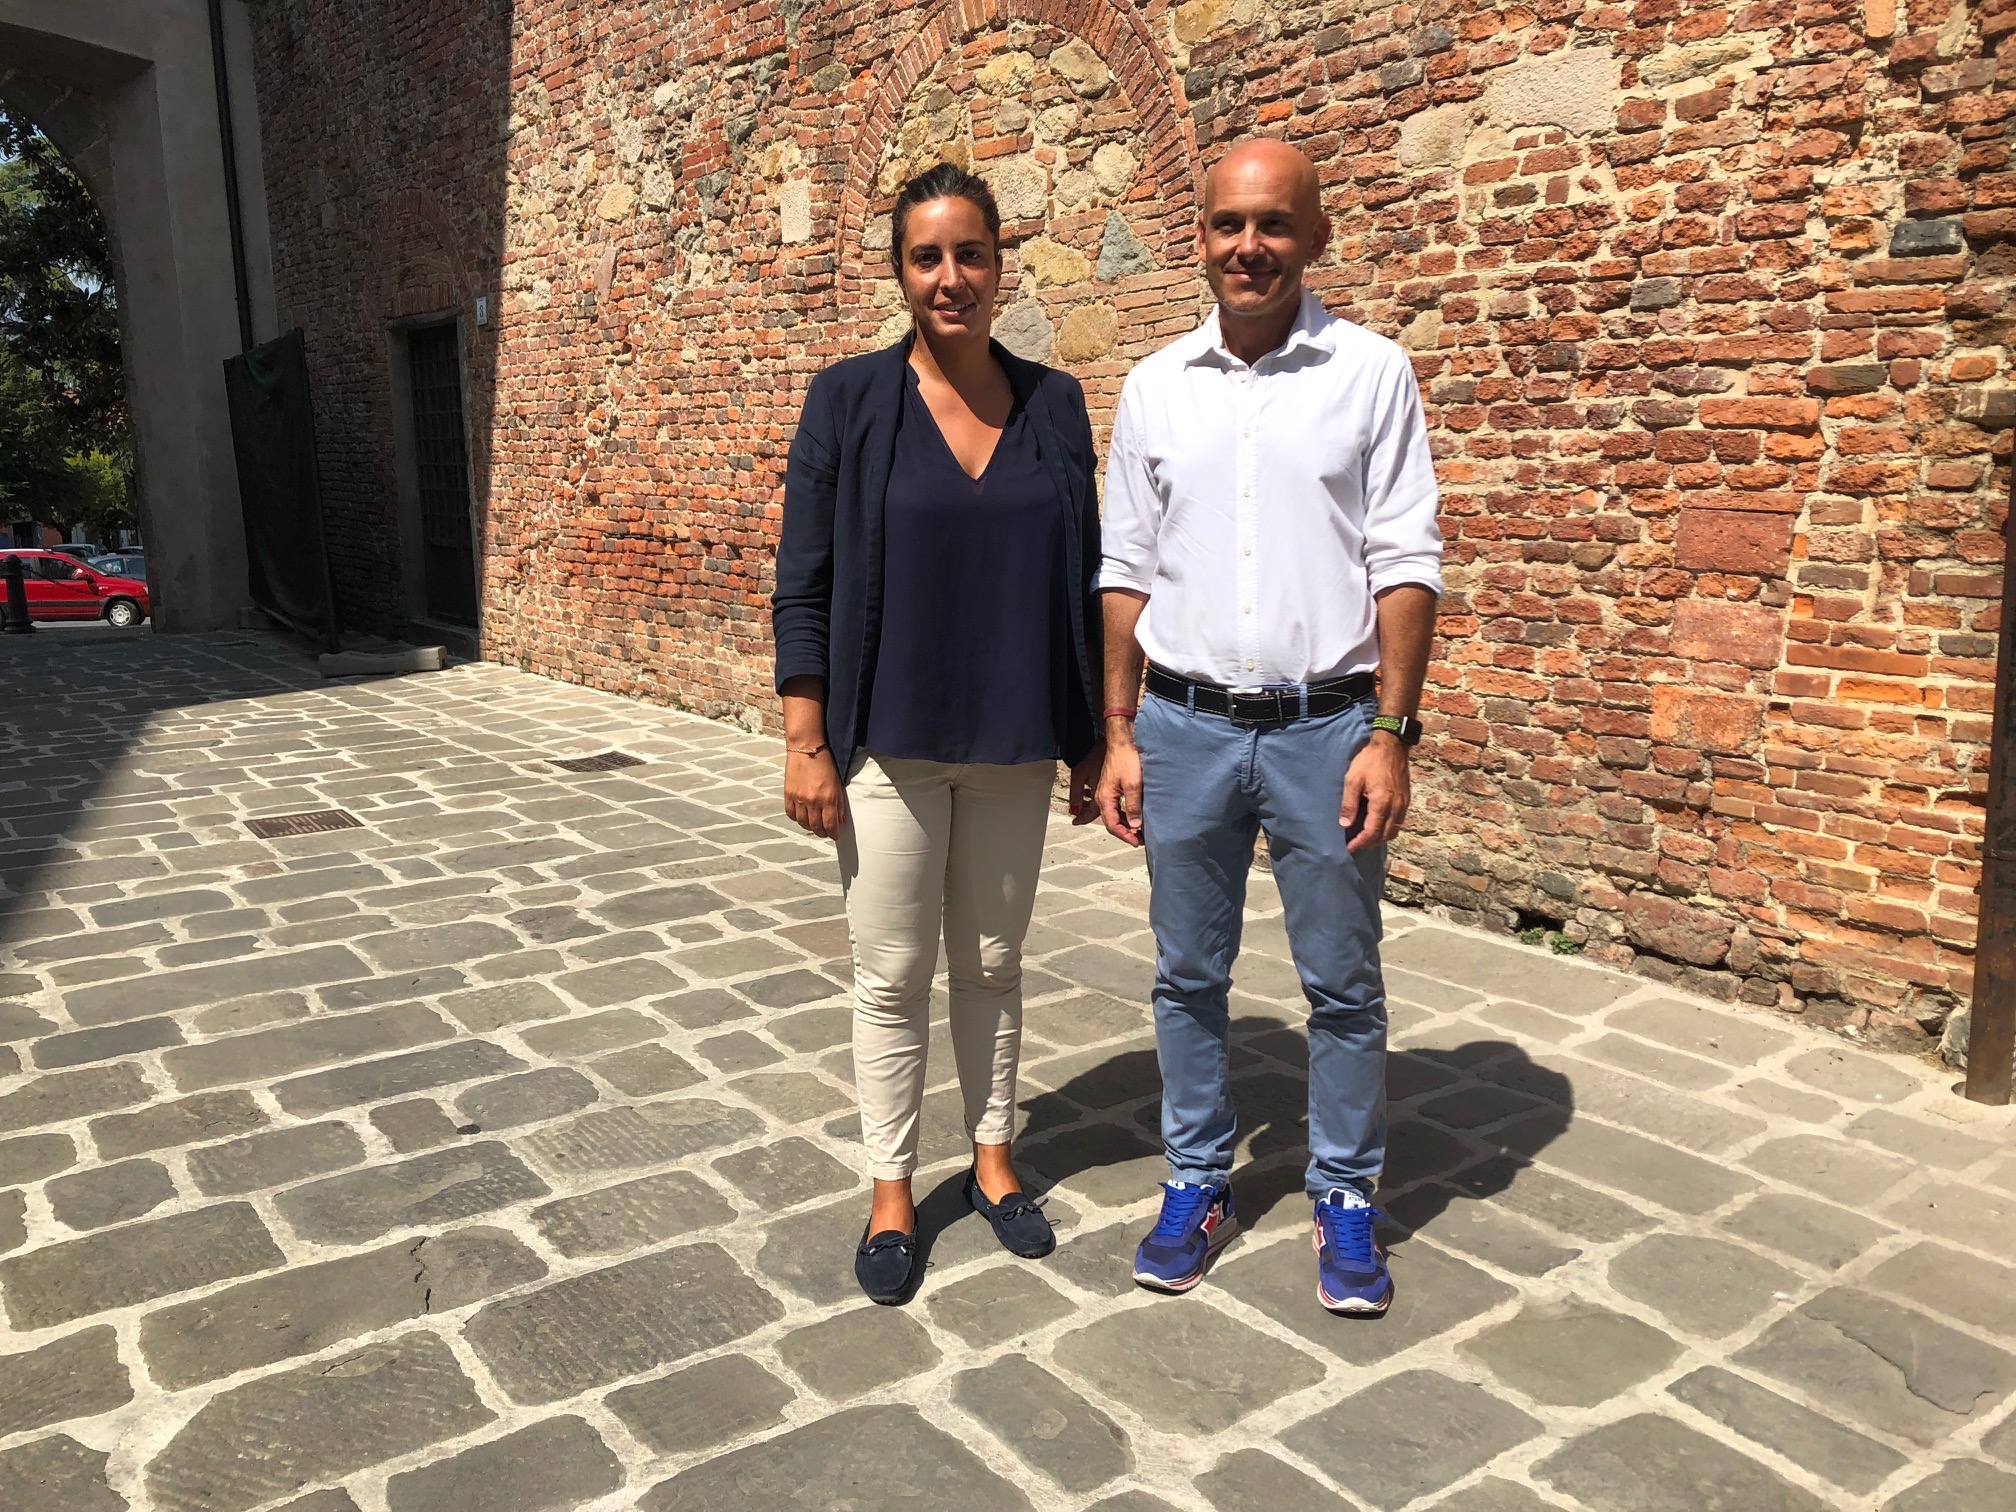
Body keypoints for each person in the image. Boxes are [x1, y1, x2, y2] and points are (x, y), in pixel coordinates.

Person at [1094, 138, 1443, 1315]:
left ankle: (1344, 1191)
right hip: (1183, 725)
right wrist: (1118, 731)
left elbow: (1406, 561)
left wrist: (1391, 732)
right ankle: (1199, 1179)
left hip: (1327, 731)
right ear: (1199, 236)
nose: (1250, 247)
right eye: (1229, 224)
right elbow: (1125, 570)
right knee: (1187, 975)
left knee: (1341, 984)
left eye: (1275, 225)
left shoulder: (1371, 374)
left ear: (1316, 237)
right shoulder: (1157, 386)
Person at [772, 163, 1107, 1304]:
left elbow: (1087, 572)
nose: (950, 277)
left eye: (970, 254)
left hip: (1015, 740)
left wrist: (1093, 734)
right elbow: (804, 577)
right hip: (887, 744)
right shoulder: (848, 401)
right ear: (901, 273)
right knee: (891, 974)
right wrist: (805, 738)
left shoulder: (1053, 404)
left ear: (1001, 264)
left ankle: (995, 1160)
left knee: (995, 964)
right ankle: (891, 1189)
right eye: (927, 258)